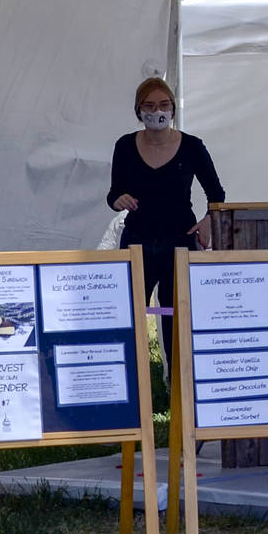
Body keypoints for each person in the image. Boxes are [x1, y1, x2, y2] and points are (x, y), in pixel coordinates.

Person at [107, 77, 224, 375]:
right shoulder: (125, 145)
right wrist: (118, 200)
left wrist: (208, 221)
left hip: (180, 240)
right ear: (138, 110)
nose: (156, 111)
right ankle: (133, 383)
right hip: (137, 240)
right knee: (130, 315)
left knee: (178, 317)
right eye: (148, 106)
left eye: (163, 105)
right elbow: (113, 193)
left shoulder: (193, 146)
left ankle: (179, 384)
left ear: (173, 107)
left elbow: (217, 195)